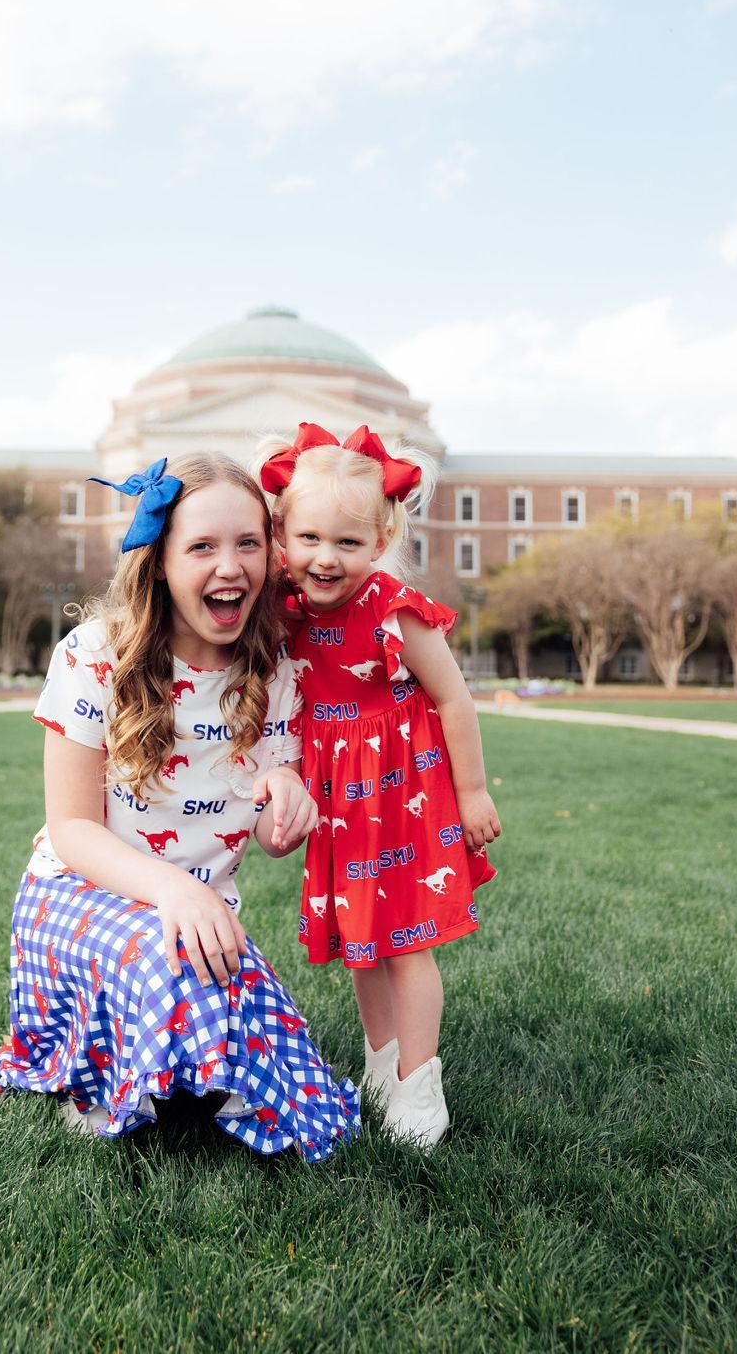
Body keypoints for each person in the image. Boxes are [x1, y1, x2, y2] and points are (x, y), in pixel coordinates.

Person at [0, 451, 359, 1162]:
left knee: (297, 1083)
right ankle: (104, 1081)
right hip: (78, 895)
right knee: (173, 958)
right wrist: (173, 889)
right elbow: (70, 829)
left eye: (248, 543)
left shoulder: (275, 668)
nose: (231, 566)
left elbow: (274, 834)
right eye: (203, 546)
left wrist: (291, 799)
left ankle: (187, 1063)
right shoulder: (94, 655)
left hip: (199, 911)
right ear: (159, 562)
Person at [257, 423, 501, 1148]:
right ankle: (381, 1059)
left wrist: (475, 792)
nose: (325, 558)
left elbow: (454, 699)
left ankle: (420, 1083)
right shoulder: (285, 609)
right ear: (282, 533)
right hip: (338, 799)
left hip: (404, 795)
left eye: (348, 543)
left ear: (381, 537)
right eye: (308, 539)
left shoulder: (393, 609)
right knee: (361, 942)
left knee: (406, 945)